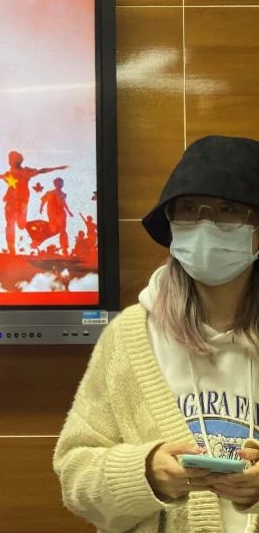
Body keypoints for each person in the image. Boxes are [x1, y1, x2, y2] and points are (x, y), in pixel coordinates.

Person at [54, 135, 259, 532]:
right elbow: (76, 475)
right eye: (188, 209)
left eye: (228, 210)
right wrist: (145, 472)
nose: (204, 225)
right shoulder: (129, 338)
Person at [0, 150, 67, 254]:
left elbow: (41, 171)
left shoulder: (26, 171)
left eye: (13, 159)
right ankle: (11, 249)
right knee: (10, 224)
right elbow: (3, 176)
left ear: (19, 161)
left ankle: (38, 233)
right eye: (10, 159)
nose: (10, 161)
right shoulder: (8, 173)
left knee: (21, 225)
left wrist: (56, 168)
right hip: (10, 201)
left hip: (22, 202)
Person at [40, 177, 74, 255]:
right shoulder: (50, 193)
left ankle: (64, 249)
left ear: (63, 184)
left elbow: (64, 203)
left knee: (63, 230)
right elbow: (43, 200)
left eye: (61, 183)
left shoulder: (63, 194)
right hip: (52, 213)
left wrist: (69, 211)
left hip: (61, 213)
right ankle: (39, 240)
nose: (59, 184)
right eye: (58, 183)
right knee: (53, 229)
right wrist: (41, 208)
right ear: (54, 184)